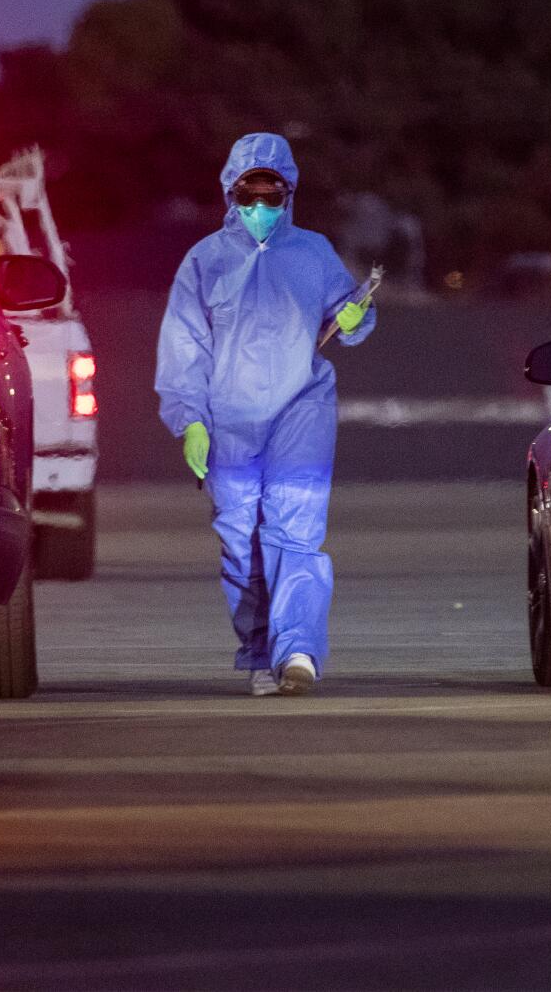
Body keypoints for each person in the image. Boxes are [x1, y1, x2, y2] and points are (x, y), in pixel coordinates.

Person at [155, 133, 377, 696]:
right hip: (227, 418)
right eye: (248, 195)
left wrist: (354, 317)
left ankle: (297, 648)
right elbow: (185, 348)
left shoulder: (313, 252)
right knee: (240, 539)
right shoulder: (204, 261)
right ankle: (260, 651)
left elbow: (347, 315)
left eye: (270, 195)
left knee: (295, 529)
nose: (259, 208)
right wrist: (192, 420)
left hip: (301, 404)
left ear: (289, 195)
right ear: (230, 194)